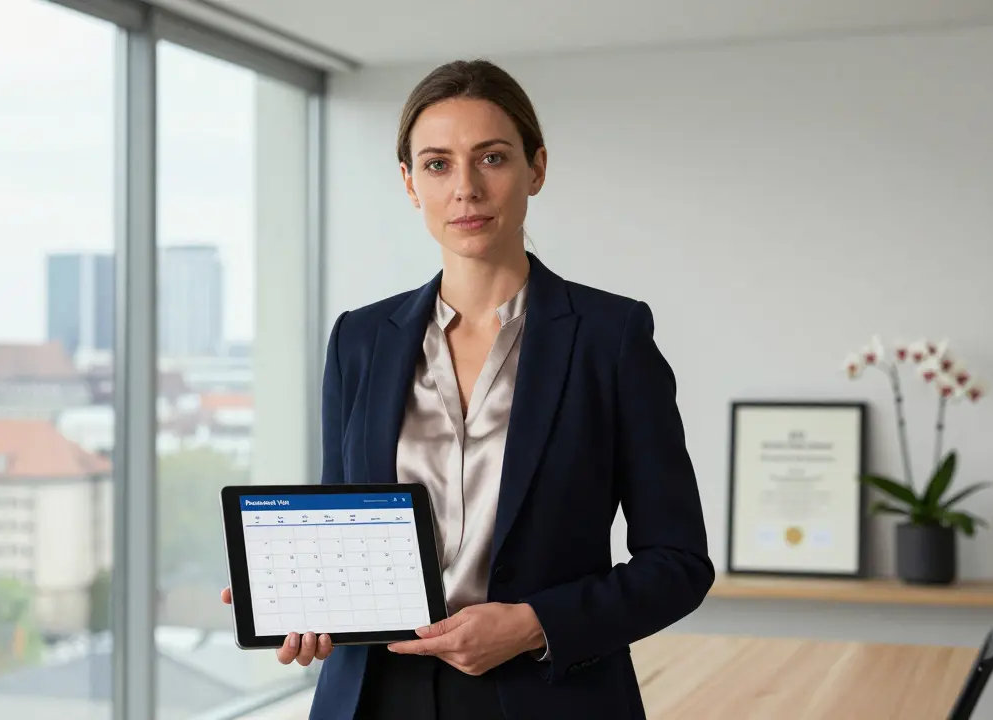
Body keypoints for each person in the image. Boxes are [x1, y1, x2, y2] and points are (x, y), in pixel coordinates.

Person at [222, 58, 714, 719]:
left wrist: (536, 623)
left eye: (492, 158)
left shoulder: (610, 337)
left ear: (536, 167)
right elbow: (345, 532)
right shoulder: (358, 342)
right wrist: (304, 601)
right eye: (437, 164)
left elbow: (678, 563)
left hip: (547, 695)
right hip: (374, 695)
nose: (466, 188)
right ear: (408, 182)